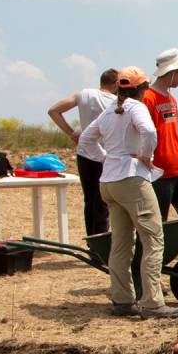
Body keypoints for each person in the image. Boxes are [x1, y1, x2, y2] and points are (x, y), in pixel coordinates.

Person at [76, 68, 174, 319]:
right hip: (131, 180)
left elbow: (85, 140)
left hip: (108, 182)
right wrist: (145, 155)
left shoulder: (109, 111)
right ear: (142, 89)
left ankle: (122, 299)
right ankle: (152, 303)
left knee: (120, 243)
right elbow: (150, 132)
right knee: (154, 239)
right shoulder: (135, 107)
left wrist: (108, 158)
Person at [140, 48, 178, 257]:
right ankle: (150, 276)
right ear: (172, 71)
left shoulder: (172, 99)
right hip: (159, 173)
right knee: (156, 227)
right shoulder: (147, 98)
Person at [46, 69, 118, 236]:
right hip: (105, 155)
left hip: (84, 153)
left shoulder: (84, 94)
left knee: (90, 200)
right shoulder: (116, 101)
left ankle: (92, 240)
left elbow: (53, 111)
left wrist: (72, 133)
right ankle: (101, 245)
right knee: (103, 202)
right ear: (115, 83)